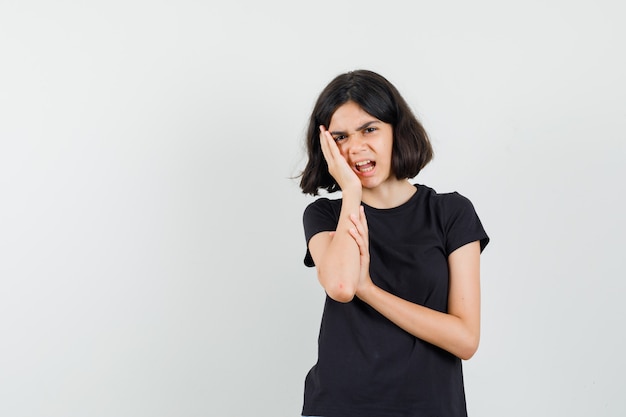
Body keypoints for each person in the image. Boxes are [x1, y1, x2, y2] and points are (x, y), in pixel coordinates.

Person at [298, 69, 490, 417]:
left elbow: (465, 339)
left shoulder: (450, 213)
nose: (356, 147)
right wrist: (352, 192)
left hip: (430, 408)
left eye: (369, 129)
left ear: (395, 131)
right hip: (339, 407)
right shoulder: (325, 216)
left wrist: (369, 289)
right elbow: (341, 285)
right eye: (340, 137)